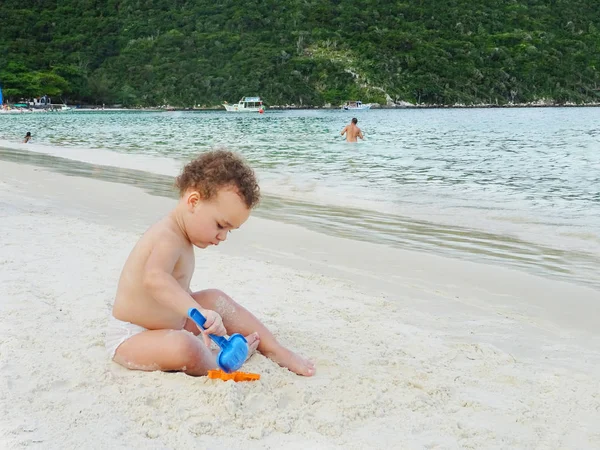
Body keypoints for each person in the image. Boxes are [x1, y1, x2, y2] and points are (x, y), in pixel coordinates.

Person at [106, 149, 315, 377]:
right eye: (220, 225)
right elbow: (154, 279)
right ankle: (217, 362)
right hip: (133, 336)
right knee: (185, 346)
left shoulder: (182, 237)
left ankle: (275, 349)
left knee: (216, 299)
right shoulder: (167, 236)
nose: (222, 236)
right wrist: (197, 312)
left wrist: (204, 311)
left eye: (229, 231)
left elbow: (177, 289)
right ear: (194, 202)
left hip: (170, 323)